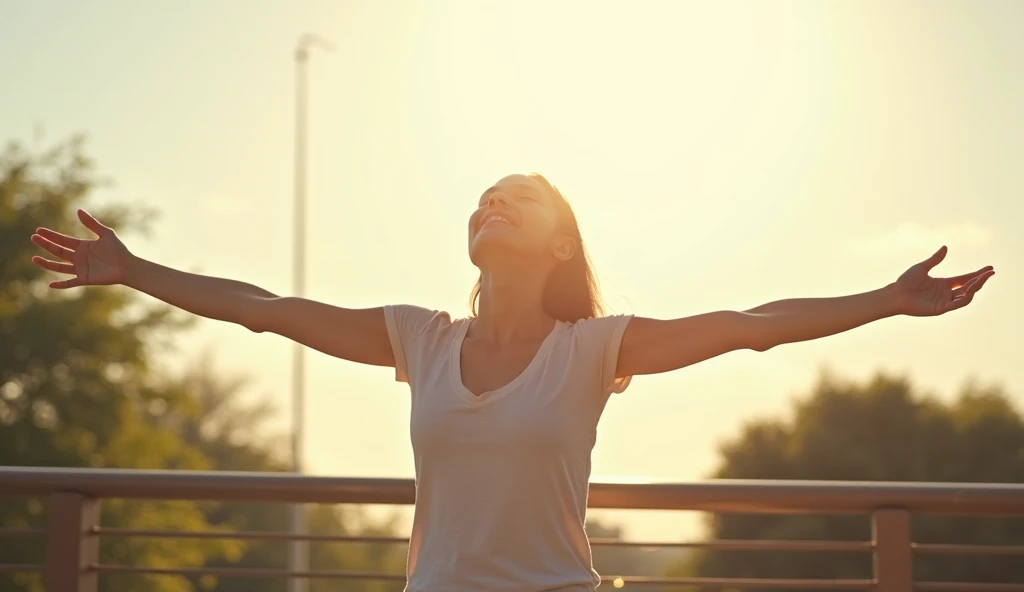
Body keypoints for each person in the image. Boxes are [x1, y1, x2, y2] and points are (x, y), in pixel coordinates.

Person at [30, 173, 994, 592]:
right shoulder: (421, 339)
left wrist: (885, 299)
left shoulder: (595, 350)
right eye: (483, 195)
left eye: (518, 198)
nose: (492, 202)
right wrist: (134, 270)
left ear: (559, 241)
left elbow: (752, 330)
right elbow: (264, 306)